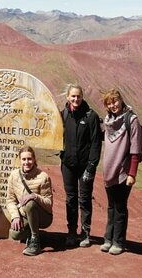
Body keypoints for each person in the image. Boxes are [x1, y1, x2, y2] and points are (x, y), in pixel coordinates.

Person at [100, 88, 142, 255]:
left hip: (123, 171)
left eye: (115, 101)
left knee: (120, 207)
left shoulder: (131, 120)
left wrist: (132, 174)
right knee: (111, 206)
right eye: (109, 103)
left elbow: (135, 148)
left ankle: (118, 242)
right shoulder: (108, 120)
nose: (113, 105)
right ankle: (108, 239)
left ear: (121, 100)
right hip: (109, 170)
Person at [60, 84, 102, 247]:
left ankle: (85, 233)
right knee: (70, 199)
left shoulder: (91, 116)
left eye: (78, 96)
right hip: (68, 165)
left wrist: (91, 167)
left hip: (85, 166)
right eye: (73, 96)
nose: (76, 99)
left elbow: (96, 143)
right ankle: (71, 232)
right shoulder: (63, 115)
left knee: (84, 199)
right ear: (68, 97)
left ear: (82, 97)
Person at [5, 146, 53, 256]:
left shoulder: (43, 177)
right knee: (15, 234)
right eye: (24, 159)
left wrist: (35, 196)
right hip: (23, 213)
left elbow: (49, 204)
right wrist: (15, 216)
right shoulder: (14, 175)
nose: (27, 162)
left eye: (29, 159)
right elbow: (10, 200)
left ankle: (35, 242)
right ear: (20, 160)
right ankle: (31, 232)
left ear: (34, 159)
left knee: (30, 203)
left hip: (43, 216)